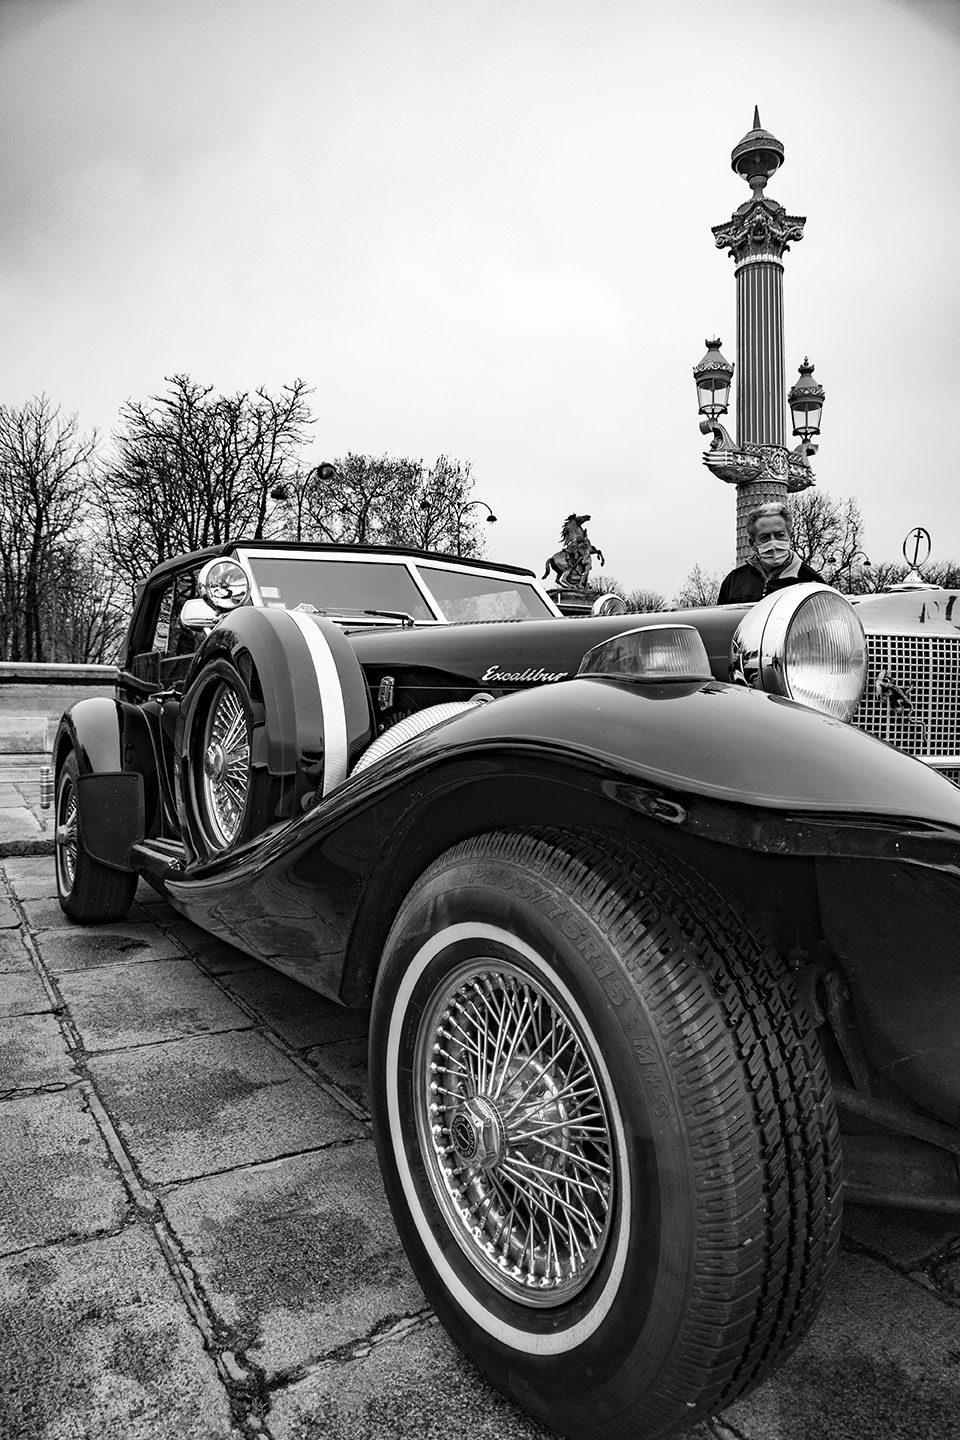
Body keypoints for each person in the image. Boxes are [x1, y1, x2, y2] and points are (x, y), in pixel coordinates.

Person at [717, 502, 825, 604]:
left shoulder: (811, 581)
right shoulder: (734, 580)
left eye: (780, 535)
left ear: (789, 537)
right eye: (765, 537)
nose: (773, 543)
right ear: (752, 544)